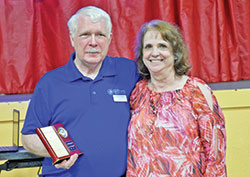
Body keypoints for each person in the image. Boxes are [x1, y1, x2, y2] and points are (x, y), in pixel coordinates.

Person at [21, 6, 140, 177]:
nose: (93, 42)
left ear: (109, 38)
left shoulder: (128, 71)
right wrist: (56, 152)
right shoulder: (50, 83)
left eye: (100, 35)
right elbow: (28, 137)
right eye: (85, 35)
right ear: (72, 38)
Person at [126, 20, 227, 176]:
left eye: (162, 46)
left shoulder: (196, 91)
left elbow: (215, 156)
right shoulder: (137, 93)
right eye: (148, 47)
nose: (154, 53)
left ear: (175, 53)